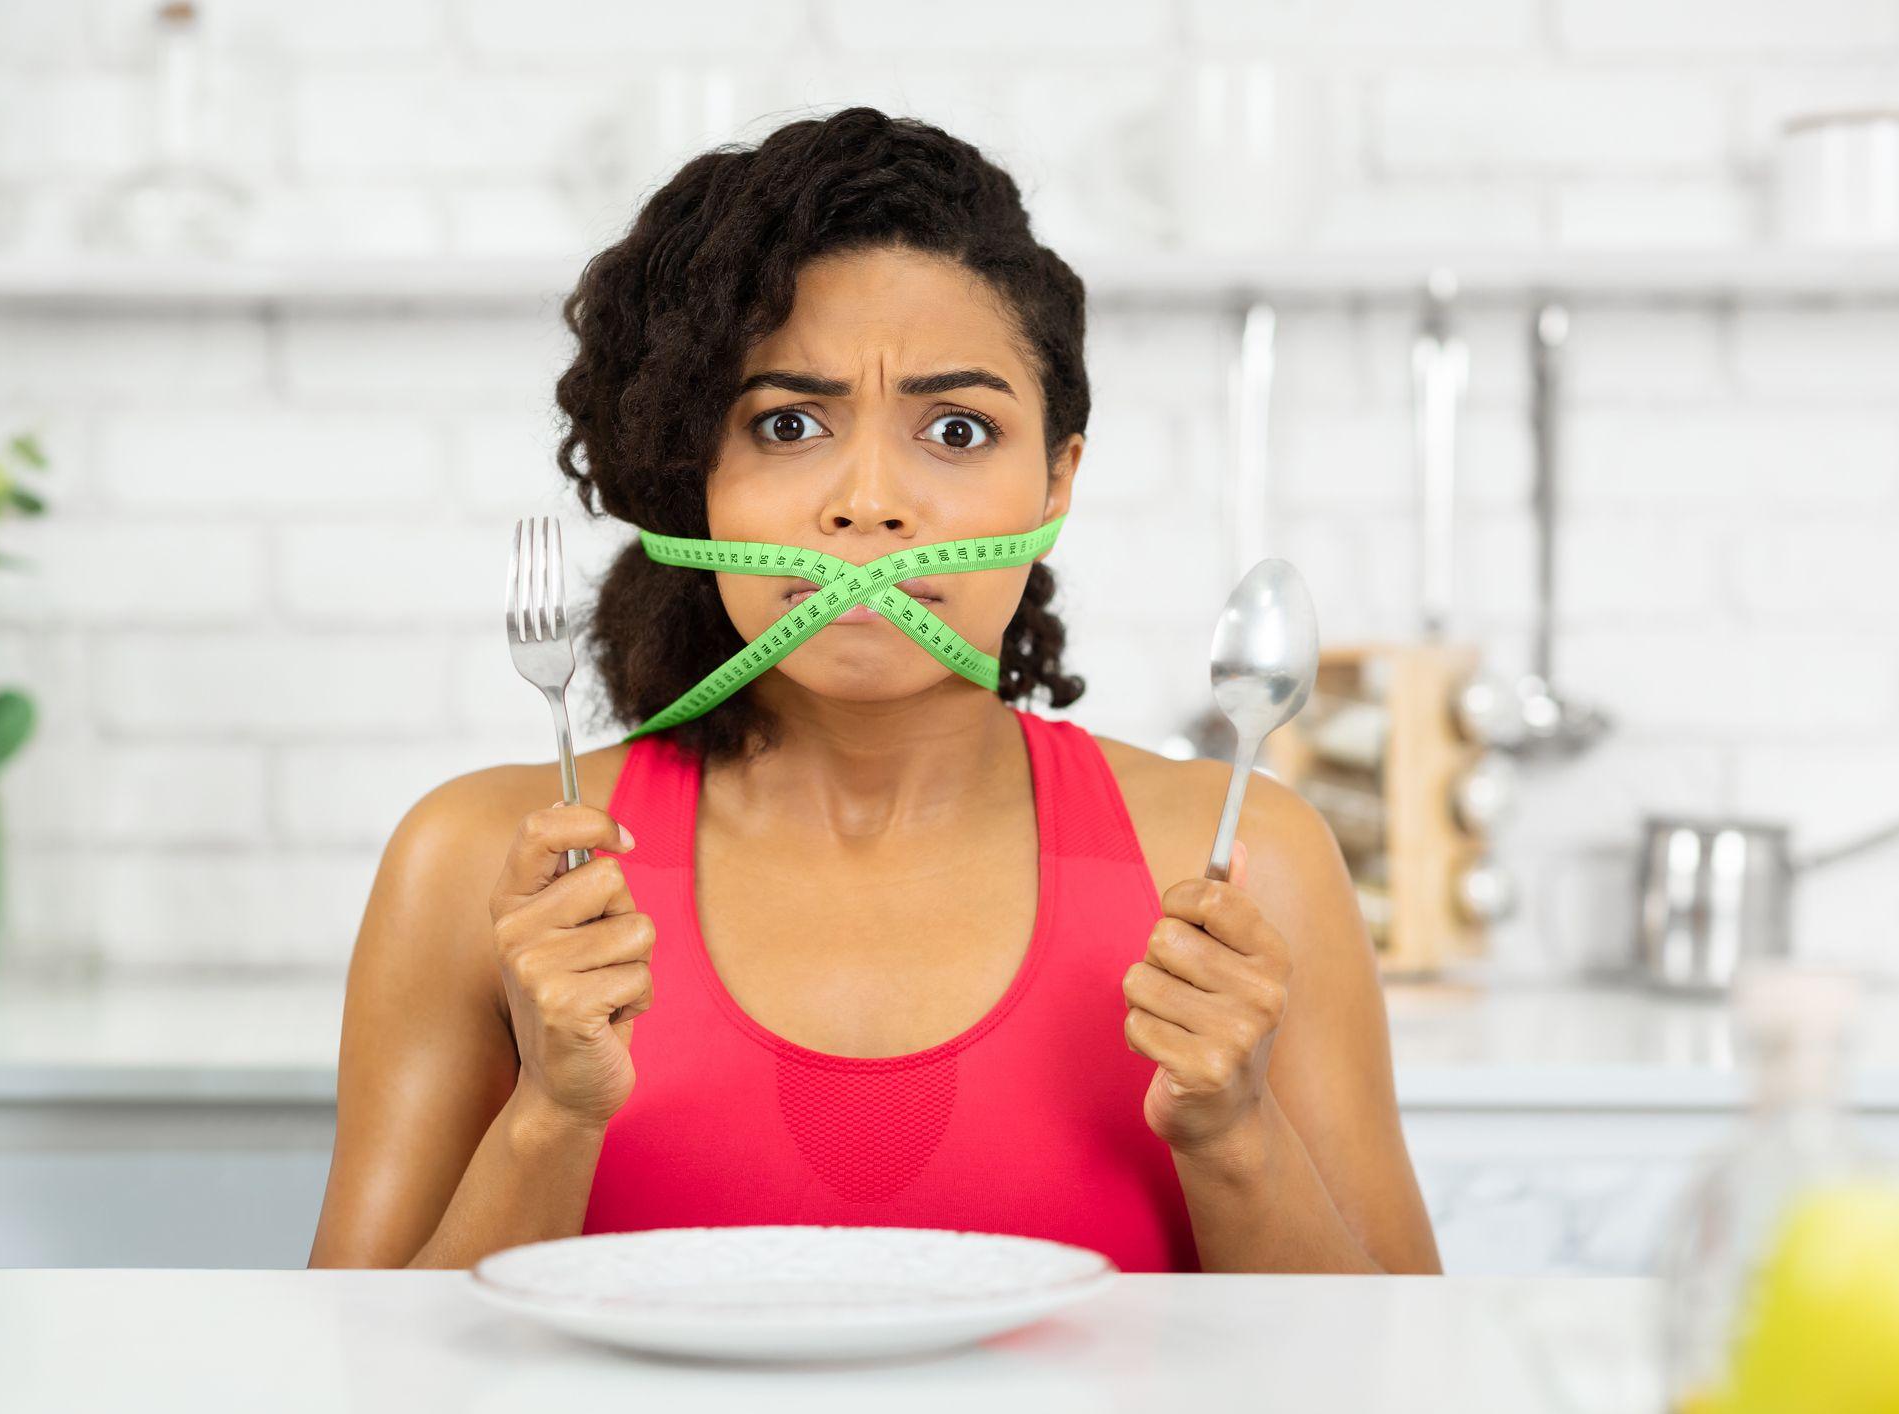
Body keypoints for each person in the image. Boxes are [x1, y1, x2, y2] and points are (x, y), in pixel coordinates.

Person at [307, 107, 1440, 1275]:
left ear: (1056, 482)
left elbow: (1401, 1376)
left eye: (956, 429)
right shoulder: (476, 863)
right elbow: (351, 1370)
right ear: (692, 478)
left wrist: (1238, 1137)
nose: (869, 504)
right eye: (787, 424)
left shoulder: (1245, 858)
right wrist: (550, 1115)